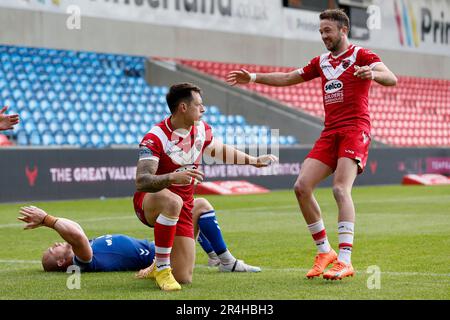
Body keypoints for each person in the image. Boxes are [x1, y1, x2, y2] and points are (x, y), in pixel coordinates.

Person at [227, 9, 397, 280]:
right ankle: (324, 251)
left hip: (355, 130)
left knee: (341, 189)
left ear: (343, 30)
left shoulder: (361, 55)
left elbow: (392, 77)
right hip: (330, 132)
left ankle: (345, 259)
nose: (323, 36)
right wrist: (254, 78)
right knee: (301, 187)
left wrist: (373, 74)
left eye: (327, 31)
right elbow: (288, 77)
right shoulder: (321, 62)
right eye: (320, 32)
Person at [134, 82, 278, 291]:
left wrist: (254, 160)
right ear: (183, 107)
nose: (203, 109)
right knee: (173, 201)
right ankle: (162, 268)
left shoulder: (201, 129)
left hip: (182, 206)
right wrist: (172, 178)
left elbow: (218, 150)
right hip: (150, 201)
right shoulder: (155, 137)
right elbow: (142, 180)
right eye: (199, 105)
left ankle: (162, 261)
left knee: (184, 277)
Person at [18, 205, 155, 272]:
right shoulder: (82, 262)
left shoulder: (84, 247)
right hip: (156, 256)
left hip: (155, 247)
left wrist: (45, 222)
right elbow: (77, 237)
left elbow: (76, 228)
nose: (54, 244)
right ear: (60, 262)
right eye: (52, 250)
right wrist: (47, 219)